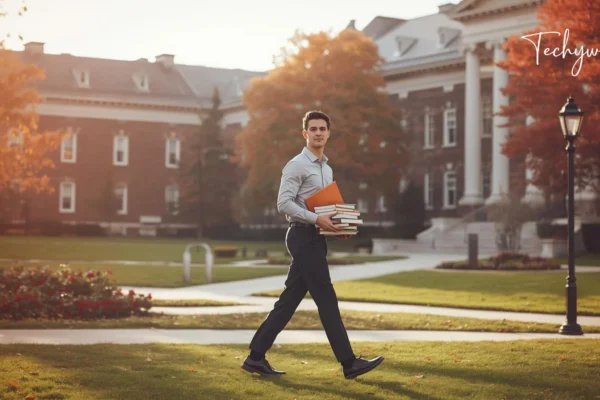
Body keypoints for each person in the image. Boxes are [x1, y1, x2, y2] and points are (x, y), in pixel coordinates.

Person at [241, 110, 384, 380]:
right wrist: (316, 218)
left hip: (315, 238)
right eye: (313, 129)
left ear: (329, 133)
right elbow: (284, 204)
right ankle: (349, 363)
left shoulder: (326, 169)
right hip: (301, 236)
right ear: (305, 134)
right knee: (326, 300)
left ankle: (255, 357)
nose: (318, 133)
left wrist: (339, 225)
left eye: (323, 129)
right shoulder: (295, 165)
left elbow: (325, 206)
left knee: (289, 300)